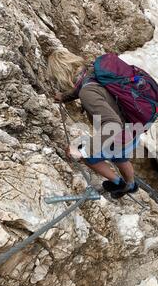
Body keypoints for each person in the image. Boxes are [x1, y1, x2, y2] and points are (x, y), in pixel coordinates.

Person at [47, 48, 141, 199]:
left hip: (118, 133)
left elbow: (113, 124)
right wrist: (64, 97)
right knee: (120, 157)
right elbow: (85, 89)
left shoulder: (86, 92)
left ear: (62, 75)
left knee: (88, 157)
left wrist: (85, 151)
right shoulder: (91, 72)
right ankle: (131, 185)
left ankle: (118, 184)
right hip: (132, 127)